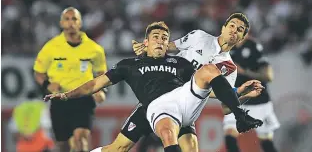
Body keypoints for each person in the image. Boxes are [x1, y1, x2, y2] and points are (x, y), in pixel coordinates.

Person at [44, 21, 263, 152]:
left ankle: (241, 116)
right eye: (156, 36)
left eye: (164, 37)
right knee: (117, 148)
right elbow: (95, 83)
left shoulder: (180, 63)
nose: (160, 40)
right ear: (146, 42)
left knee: (190, 143)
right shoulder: (129, 65)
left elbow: (206, 89)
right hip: (150, 107)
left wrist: (238, 91)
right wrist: (66, 96)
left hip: (181, 103)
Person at [131, 13, 262, 151]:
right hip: (163, 91)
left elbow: (225, 106)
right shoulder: (199, 37)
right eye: (232, 25)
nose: (234, 30)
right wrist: (147, 48)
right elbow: (168, 46)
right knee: (137, 143)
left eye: (240, 30)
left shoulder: (230, 69)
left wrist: (244, 94)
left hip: (185, 105)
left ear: (241, 38)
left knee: (190, 148)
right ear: (223, 28)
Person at [33, 7, 108, 152]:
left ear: (80, 23)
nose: (70, 22)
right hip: (60, 100)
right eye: (67, 19)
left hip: (83, 99)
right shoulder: (51, 47)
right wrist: (48, 85)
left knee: (81, 139)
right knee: (63, 146)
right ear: (61, 23)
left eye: (74, 19)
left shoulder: (95, 49)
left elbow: (101, 74)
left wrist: (100, 90)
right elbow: (38, 73)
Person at [222, 34, 280, 152]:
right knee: (229, 137)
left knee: (266, 142)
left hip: (259, 102)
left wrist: (244, 72)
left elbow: (268, 76)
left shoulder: (254, 47)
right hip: (239, 102)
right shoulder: (227, 47)